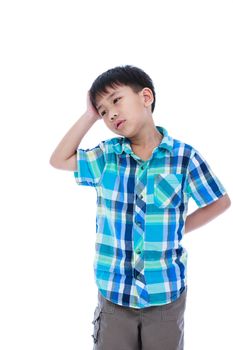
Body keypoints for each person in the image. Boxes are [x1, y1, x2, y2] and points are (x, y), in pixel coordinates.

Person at [49, 65, 231, 350]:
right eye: (103, 110)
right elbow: (59, 159)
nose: (111, 114)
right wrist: (88, 117)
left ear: (146, 97)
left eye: (116, 100)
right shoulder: (107, 156)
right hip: (114, 294)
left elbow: (220, 201)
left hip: (165, 295)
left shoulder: (183, 157)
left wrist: (179, 227)